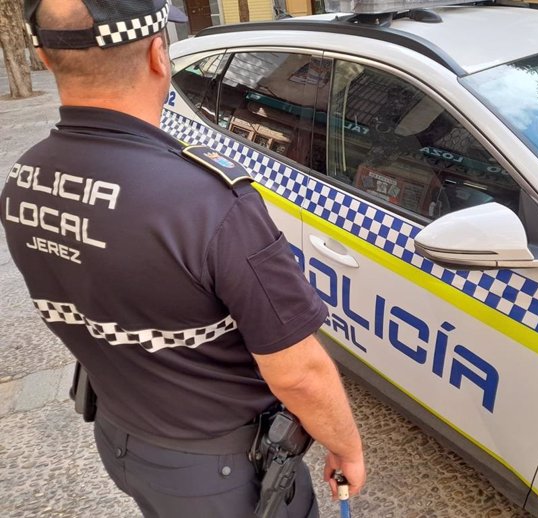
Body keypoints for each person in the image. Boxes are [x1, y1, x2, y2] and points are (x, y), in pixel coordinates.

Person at [0, 1, 365, 516]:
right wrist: (346, 446)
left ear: (41, 54)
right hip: (221, 474)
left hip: (121, 437)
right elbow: (298, 372)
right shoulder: (208, 201)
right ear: (157, 54)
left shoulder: (24, 177)